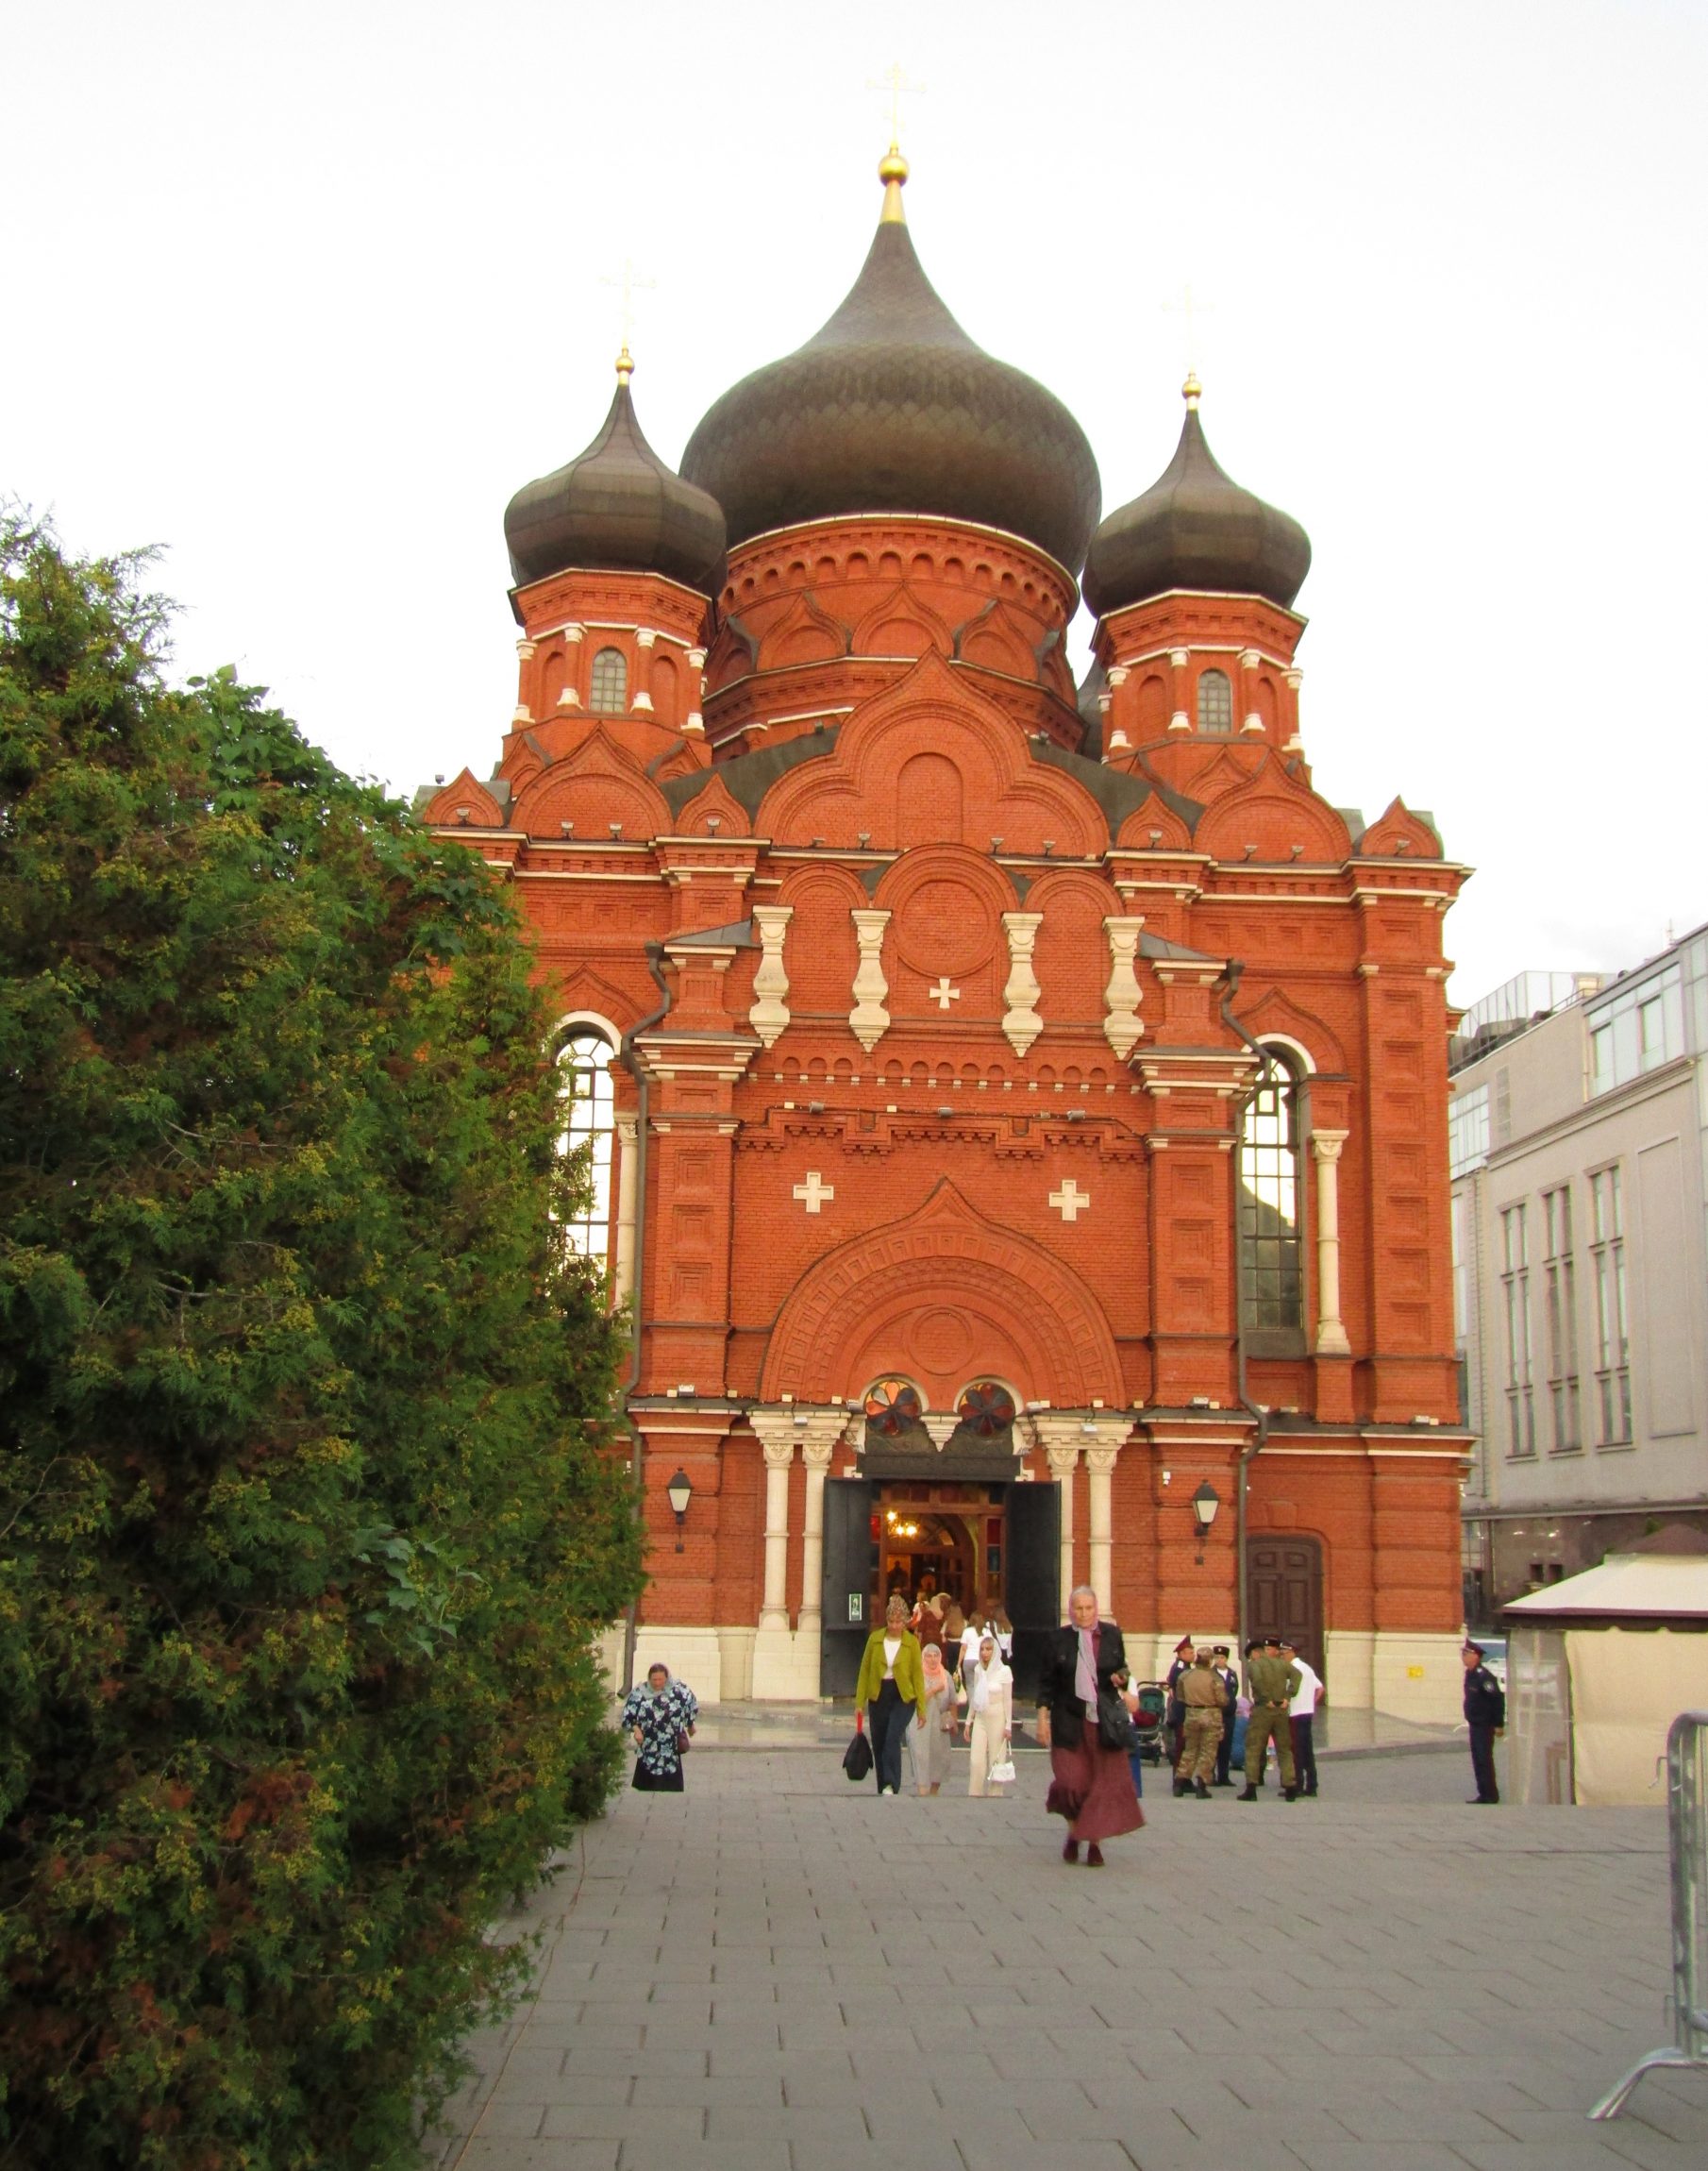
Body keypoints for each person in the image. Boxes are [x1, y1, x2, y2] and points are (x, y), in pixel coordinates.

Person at [1035, 1585, 1144, 1866]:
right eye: (1078, 1608)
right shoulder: (1058, 1640)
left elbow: (1121, 1668)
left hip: (1102, 1721)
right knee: (1071, 1783)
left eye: (1088, 1608)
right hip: (1068, 1720)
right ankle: (1075, 1831)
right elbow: (1046, 1683)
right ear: (1071, 1610)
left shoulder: (1111, 1635)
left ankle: (1093, 1843)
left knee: (1100, 1784)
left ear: (1096, 1609)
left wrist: (1122, 1681)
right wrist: (1042, 1719)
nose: (1083, 1613)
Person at [855, 1592, 928, 1795]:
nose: (894, 1626)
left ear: (905, 1622)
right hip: (879, 1693)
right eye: (891, 1621)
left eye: (898, 1622)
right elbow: (865, 1671)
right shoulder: (875, 1639)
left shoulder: (912, 1643)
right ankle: (882, 1784)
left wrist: (921, 1709)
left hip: (903, 1695)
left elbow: (917, 1676)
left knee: (892, 1736)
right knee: (879, 1740)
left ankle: (891, 1782)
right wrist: (859, 1703)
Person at [1238, 1635, 1300, 1801]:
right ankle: (1290, 1786)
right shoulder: (1282, 1664)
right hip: (1281, 1710)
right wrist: (1288, 1696)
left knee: (1253, 1748)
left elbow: (1257, 1682)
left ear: (1255, 1653)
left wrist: (1266, 1699)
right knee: (1284, 1749)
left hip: (1263, 1710)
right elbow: (1297, 1675)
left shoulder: (1255, 1665)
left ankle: (1251, 1787)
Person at [620, 1662, 697, 1792]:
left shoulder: (679, 1691)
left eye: (660, 1679)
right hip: (648, 1743)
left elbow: (691, 1705)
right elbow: (628, 1715)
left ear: (667, 1678)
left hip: (670, 1745)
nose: (657, 1683)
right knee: (647, 1772)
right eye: (654, 1680)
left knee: (670, 1772)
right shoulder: (639, 1693)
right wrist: (636, 1730)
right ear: (649, 1678)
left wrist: (690, 1724)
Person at [1173, 1646, 1228, 1799]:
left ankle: (1179, 1782)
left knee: (1189, 1749)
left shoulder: (1185, 1675)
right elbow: (1222, 1700)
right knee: (1208, 1751)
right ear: (1210, 1660)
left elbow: (1180, 1696)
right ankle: (1202, 1785)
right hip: (1210, 1715)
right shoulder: (1215, 1678)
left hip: (1191, 1714)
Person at [963, 1633, 1013, 1796]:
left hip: (997, 1716)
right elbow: (975, 1697)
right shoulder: (978, 1669)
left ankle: (995, 1794)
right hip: (981, 1716)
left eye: (989, 1649)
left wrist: (1008, 1725)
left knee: (996, 1759)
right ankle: (974, 1792)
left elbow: (1008, 1700)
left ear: (995, 1651)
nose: (985, 1653)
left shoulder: (1004, 1671)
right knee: (976, 1759)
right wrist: (968, 1721)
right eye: (982, 1649)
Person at [1463, 1639, 1506, 1804]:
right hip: (1475, 1723)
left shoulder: (1484, 1676)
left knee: (1484, 1759)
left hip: (1484, 1724)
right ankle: (1483, 1792)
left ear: (1475, 1656)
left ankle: (1490, 1794)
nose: (1463, 1657)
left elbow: (1496, 1699)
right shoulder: (1470, 1674)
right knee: (1478, 1759)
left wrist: (1498, 1724)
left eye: (1466, 1653)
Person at [912, 1641, 959, 1794]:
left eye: (936, 1656)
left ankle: (934, 1790)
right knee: (921, 1754)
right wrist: (933, 1689)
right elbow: (917, 1699)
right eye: (929, 1656)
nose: (932, 1659)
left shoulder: (946, 1676)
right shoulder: (918, 1674)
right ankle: (922, 1788)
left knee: (939, 1755)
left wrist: (954, 1721)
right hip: (922, 1719)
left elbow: (953, 1700)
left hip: (939, 1720)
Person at [1280, 1637, 1323, 1797]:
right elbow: (1320, 1688)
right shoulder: (1307, 1668)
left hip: (1295, 1714)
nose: (1282, 1655)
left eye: (1283, 1652)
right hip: (1306, 1713)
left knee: (1296, 1751)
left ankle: (1297, 1785)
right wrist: (1310, 1704)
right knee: (1307, 1750)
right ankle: (1312, 1785)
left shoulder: (1292, 1669)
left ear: (1291, 1652)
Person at [1211, 1645, 1240, 1785]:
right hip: (1215, 1713)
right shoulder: (1211, 1673)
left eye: (1222, 1657)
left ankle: (1224, 1776)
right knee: (1213, 1745)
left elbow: (1234, 1690)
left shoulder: (1232, 1674)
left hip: (1228, 1714)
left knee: (1226, 1745)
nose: (1219, 1660)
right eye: (1217, 1657)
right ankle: (1210, 1775)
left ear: (1226, 1659)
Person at [1164, 1636, 1195, 1767]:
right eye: (1191, 1653)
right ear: (1182, 1654)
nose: (1193, 1655)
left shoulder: (1185, 1666)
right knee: (1181, 1744)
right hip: (1181, 1709)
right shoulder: (1180, 1668)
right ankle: (1179, 1773)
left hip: (1184, 1708)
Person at [957, 1608, 984, 1686]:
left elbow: (963, 1648)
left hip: (968, 1660)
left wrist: (958, 1663)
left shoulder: (967, 1631)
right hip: (982, 1660)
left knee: (970, 1685)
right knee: (981, 1684)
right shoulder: (987, 1631)